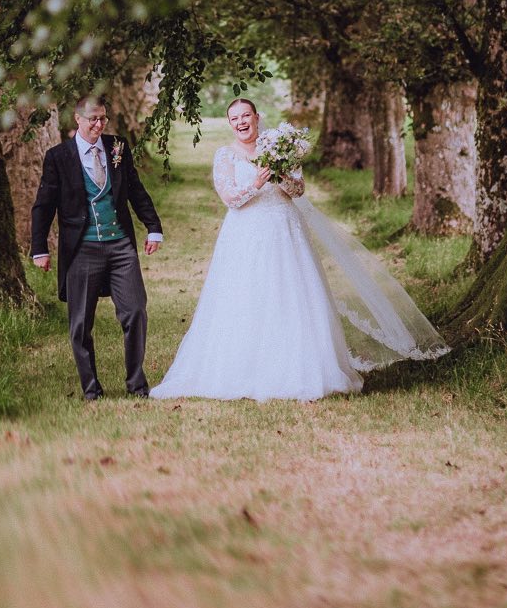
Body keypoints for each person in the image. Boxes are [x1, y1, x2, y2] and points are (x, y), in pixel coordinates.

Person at [151, 97, 447, 401]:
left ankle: (302, 368)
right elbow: (229, 198)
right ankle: (242, 367)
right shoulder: (225, 156)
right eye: (235, 118)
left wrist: (278, 175)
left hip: (284, 230)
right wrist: (256, 183)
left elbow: (298, 189)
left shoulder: (279, 147)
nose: (241, 122)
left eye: (246, 116)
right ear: (230, 123)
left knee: (291, 294)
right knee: (245, 297)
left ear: (256, 117)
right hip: (245, 235)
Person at [30, 97, 164, 400]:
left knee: (135, 311)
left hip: (120, 245)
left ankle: (136, 383)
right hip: (82, 248)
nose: (98, 124)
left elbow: (135, 190)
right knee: (80, 323)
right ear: (77, 119)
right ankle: (91, 388)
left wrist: (153, 227)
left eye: (103, 118)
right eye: (92, 119)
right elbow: (43, 205)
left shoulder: (117, 146)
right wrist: (39, 248)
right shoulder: (58, 157)